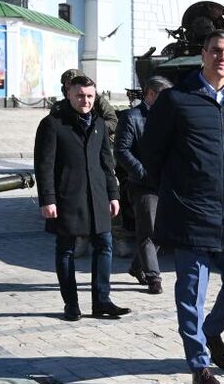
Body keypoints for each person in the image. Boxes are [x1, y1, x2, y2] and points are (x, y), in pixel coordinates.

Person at [141, 30, 224, 384]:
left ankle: (210, 331)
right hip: (190, 211)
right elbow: (151, 154)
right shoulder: (176, 100)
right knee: (191, 291)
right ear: (203, 55)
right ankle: (199, 365)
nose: (222, 57)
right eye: (216, 50)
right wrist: (176, 191)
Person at [34, 74, 130, 321]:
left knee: (104, 246)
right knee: (65, 250)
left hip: (97, 196)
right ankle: (71, 304)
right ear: (69, 94)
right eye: (80, 95)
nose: (85, 100)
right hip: (67, 197)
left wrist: (113, 193)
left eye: (89, 96)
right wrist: (47, 199)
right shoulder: (52, 124)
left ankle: (102, 301)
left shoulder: (98, 123)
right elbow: (44, 165)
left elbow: (106, 163)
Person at [114, 75, 173, 295]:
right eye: (164, 96)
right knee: (149, 231)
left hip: (167, 183)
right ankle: (153, 277)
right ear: (150, 94)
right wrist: (142, 173)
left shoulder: (170, 116)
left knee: (164, 231)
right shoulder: (132, 117)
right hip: (144, 184)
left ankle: (137, 266)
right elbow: (121, 151)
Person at [55, 68, 118, 138]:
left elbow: (113, 122)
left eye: (76, 82)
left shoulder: (98, 101)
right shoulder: (59, 106)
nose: (72, 86)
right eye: (69, 83)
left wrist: (92, 127)